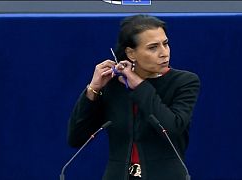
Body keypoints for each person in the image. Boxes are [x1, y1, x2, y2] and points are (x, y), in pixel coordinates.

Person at [67, 14, 200, 180]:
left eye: (165, 44)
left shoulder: (184, 82)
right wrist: (93, 88)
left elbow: (172, 128)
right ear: (131, 53)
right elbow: (76, 138)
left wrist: (138, 84)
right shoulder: (114, 85)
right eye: (153, 47)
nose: (164, 53)